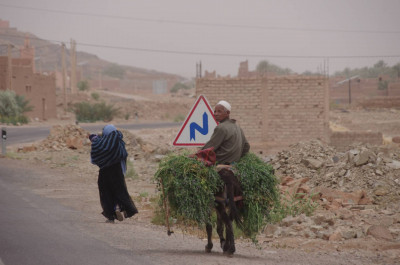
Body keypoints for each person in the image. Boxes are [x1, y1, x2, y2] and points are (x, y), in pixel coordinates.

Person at [89, 124, 138, 223]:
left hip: (104, 173)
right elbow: (123, 154)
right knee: (120, 191)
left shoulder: (98, 143)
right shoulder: (118, 141)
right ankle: (125, 209)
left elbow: (95, 157)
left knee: (106, 193)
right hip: (117, 171)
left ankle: (111, 216)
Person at [202, 100, 250, 164]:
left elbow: (209, 148)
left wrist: (195, 155)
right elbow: (246, 146)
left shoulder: (221, 127)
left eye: (219, 112)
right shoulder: (238, 127)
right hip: (234, 163)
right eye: (215, 111)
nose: (216, 114)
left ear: (227, 113)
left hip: (221, 162)